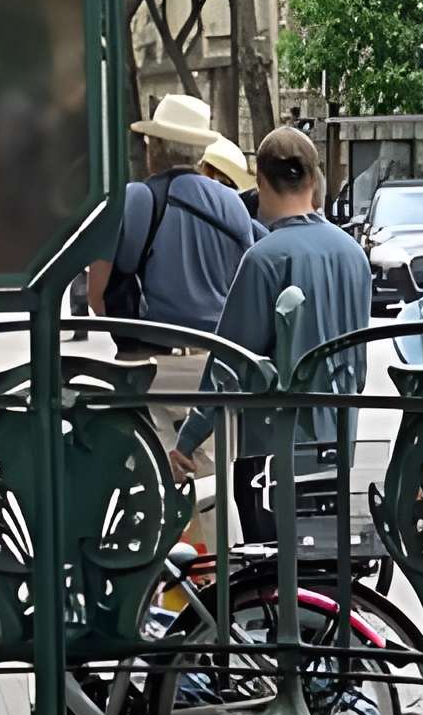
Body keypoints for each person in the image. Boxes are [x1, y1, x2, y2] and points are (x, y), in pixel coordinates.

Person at [170, 129, 373, 529]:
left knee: (271, 575)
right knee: (327, 570)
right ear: (314, 181)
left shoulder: (264, 259)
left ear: (260, 182)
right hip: (339, 440)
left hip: (273, 455)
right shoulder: (354, 256)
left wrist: (188, 441)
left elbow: (228, 366)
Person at [82, 91, 259, 437]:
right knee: (216, 477)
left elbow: (96, 294)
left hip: (149, 370)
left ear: (157, 148)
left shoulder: (137, 199)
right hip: (216, 368)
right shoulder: (233, 205)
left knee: (156, 474)